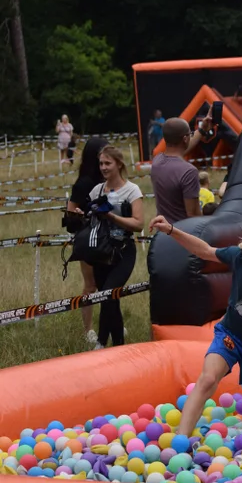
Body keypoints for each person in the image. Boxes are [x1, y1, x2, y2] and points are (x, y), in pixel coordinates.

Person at [150, 201, 242, 435]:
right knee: (207, 379)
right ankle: (180, 441)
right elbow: (204, 251)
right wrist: (171, 230)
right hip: (231, 334)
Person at [88, 146, 144, 349]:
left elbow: (139, 224)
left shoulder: (132, 190)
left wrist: (111, 216)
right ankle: (105, 343)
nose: (103, 167)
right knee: (106, 297)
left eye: (107, 163)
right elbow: (91, 221)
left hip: (124, 252)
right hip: (101, 252)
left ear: (119, 164)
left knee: (110, 293)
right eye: (101, 163)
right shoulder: (96, 190)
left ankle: (115, 344)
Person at [67, 137, 109, 343]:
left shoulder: (109, 181)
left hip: (109, 237)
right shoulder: (83, 183)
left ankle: (110, 323)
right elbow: (70, 213)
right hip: (88, 239)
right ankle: (88, 330)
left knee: (108, 283)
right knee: (90, 285)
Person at [150, 111, 214, 224]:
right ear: (185, 139)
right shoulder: (189, 171)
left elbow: (179, 150)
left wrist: (201, 130)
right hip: (182, 234)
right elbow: (193, 214)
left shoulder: (157, 161)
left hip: (162, 231)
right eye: (190, 134)